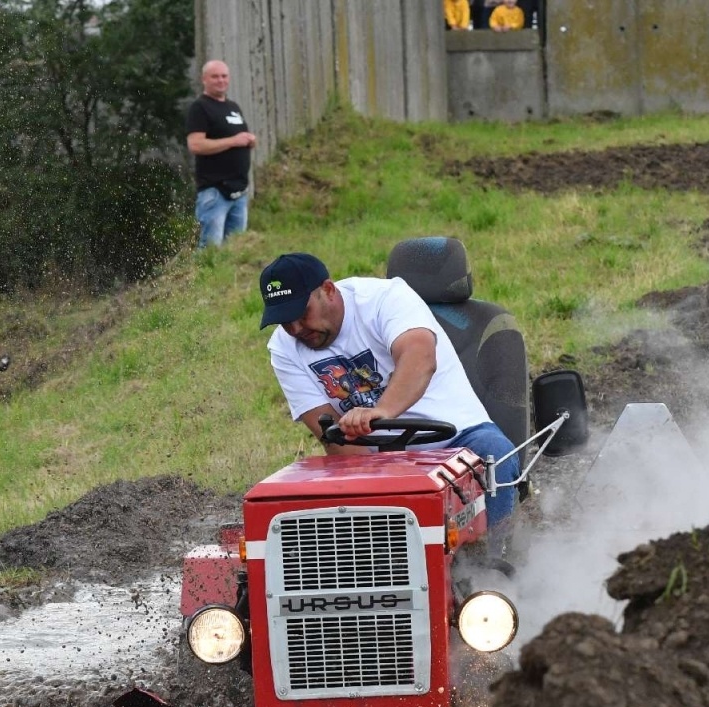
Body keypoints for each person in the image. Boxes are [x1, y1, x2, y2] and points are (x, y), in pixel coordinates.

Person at [257, 252, 522, 527]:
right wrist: (378, 493)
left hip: (458, 437)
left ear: (328, 290)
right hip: (376, 456)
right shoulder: (283, 347)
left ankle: (497, 561)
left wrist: (381, 411)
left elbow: (420, 359)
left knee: (496, 453)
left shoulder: (386, 299)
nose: (296, 328)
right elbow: (332, 436)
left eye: (302, 313)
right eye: (285, 321)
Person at [185, 60, 256, 250]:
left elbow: (237, 138)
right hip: (215, 192)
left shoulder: (233, 107)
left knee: (235, 252)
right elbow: (195, 144)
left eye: (224, 76)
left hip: (239, 192)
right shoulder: (200, 107)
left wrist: (248, 141)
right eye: (215, 76)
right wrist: (234, 141)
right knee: (210, 252)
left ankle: (228, 281)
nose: (220, 80)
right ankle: (204, 281)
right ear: (204, 79)